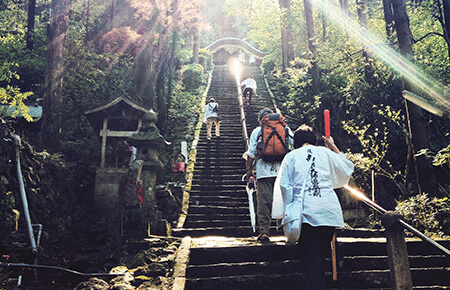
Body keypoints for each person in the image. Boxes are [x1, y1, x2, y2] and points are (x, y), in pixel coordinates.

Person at [274, 125, 354, 289]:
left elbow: (285, 186)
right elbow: (346, 168)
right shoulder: (325, 153)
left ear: (296, 141)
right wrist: (332, 146)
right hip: (328, 212)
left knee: (311, 259)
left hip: (306, 214)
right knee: (319, 256)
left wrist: (289, 209)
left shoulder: (292, 156)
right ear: (314, 140)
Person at [244, 108, 293, 243]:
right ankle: (286, 230)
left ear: (261, 120)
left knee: (264, 202)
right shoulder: (285, 129)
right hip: (282, 171)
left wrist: (249, 170)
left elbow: (251, 152)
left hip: (263, 172)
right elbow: (293, 149)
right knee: (285, 201)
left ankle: (264, 232)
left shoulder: (258, 131)